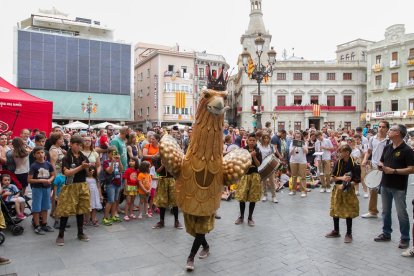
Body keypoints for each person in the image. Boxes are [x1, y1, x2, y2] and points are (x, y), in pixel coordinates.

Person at [374, 124, 414, 249]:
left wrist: (394, 171)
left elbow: (412, 169)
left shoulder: (407, 150)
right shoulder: (387, 147)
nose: (388, 131)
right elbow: (382, 161)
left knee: (401, 213)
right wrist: (381, 165)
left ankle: (405, 238)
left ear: (398, 133)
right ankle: (386, 233)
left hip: (398, 186)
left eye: (391, 129)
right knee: (385, 211)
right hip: (385, 184)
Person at [55, 135, 91, 246]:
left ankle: (80, 233)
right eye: (77, 144)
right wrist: (81, 167)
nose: (79, 147)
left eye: (80, 145)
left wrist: (89, 168)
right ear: (71, 144)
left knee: (81, 210)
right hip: (70, 186)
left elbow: (90, 174)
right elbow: (67, 173)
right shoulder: (67, 157)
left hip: (82, 185)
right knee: (66, 211)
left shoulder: (83, 156)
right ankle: (60, 235)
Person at [325, 144, 360, 243]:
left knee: (349, 210)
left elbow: (357, 180)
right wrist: (342, 178)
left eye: (340, 152)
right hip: (337, 189)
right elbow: (332, 178)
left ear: (347, 153)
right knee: (335, 208)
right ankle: (336, 231)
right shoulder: (338, 162)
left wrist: (346, 185)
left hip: (348, 190)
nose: (339, 154)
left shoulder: (355, 164)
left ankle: (349, 233)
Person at [361, 120, 390, 219]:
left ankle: (386, 211)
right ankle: (373, 211)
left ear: (387, 129)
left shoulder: (389, 140)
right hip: (374, 166)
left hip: (386, 167)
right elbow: (369, 151)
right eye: (379, 126)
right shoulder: (372, 139)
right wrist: (365, 160)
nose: (381, 129)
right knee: (372, 189)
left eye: (383, 127)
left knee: (386, 190)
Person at [234, 133, 262, 226]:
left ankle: (250, 217)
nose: (252, 142)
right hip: (244, 176)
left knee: (252, 197)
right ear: (247, 140)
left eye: (254, 140)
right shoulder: (243, 150)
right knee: (242, 197)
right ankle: (241, 217)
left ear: (256, 141)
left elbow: (258, 164)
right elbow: (241, 162)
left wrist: (254, 156)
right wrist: (250, 155)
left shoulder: (258, 151)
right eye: (250, 140)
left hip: (254, 175)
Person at [28, 146, 56, 235]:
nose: (40, 155)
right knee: (36, 207)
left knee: (45, 206)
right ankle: (37, 225)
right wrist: (41, 180)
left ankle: (44, 223)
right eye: (38, 153)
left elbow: (53, 175)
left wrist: (50, 180)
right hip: (37, 189)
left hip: (46, 188)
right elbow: (29, 180)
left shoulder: (48, 164)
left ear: (45, 154)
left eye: (42, 152)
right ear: (34, 155)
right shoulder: (34, 166)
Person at [152, 157, 183, 229]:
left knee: (175, 201)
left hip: (172, 181)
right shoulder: (157, 158)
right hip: (162, 181)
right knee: (162, 201)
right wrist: (163, 165)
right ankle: (161, 221)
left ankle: (176, 221)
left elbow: (177, 171)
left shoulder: (173, 158)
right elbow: (157, 172)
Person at [102, 146, 124, 226]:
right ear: (108, 154)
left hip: (118, 182)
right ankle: (105, 218)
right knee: (110, 200)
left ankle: (113, 215)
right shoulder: (105, 162)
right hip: (110, 183)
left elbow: (121, 170)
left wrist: (119, 160)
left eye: (115, 153)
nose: (114, 155)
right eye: (112, 154)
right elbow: (109, 171)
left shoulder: (117, 161)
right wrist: (112, 162)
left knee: (115, 200)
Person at [258, 132, 278, 203]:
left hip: (270, 165)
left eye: (267, 138)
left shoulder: (271, 146)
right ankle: (264, 195)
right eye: (264, 138)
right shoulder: (259, 146)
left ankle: (274, 196)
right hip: (262, 165)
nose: (266, 139)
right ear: (262, 139)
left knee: (272, 181)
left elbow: (274, 155)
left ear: (269, 139)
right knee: (263, 181)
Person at [289, 132, 309, 197]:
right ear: (294, 137)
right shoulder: (292, 143)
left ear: (301, 137)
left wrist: (302, 146)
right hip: (293, 161)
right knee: (294, 176)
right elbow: (290, 153)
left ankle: (303, 191)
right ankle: (293, 190)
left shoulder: (304, 143)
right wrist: (294, 146)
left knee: (302, 176)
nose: (297, 138)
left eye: (299, 137)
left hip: (302, 161)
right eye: (296, 137)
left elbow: (306, 152)